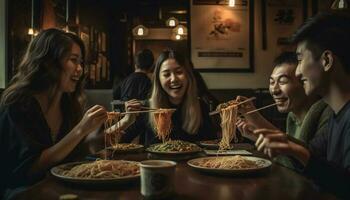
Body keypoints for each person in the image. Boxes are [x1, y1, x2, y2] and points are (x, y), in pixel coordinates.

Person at [0, 29, 107, 199]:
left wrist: (93, 138)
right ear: (48, 62)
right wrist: (80, 130)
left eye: (81, 62)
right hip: (23, 191)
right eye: (73, 60)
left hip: (60, 188)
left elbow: (73, 157)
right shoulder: (18, 104)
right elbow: (30, 169)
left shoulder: (69, 104)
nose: (80, 69)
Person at [253, 12, 350, 198]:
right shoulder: (337, 116)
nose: (297, 72)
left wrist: (295, 150)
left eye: (299, 59)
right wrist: (282, 142)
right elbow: (311, 155)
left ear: (326, 60)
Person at [236, 52, 332, 170]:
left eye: (282, 81)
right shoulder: (292, 118)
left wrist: (255, 117)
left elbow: (309, 164)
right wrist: (256, 136)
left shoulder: (328, 116)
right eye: (272, 82)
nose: (274, 90)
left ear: (305, 82)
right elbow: (287, 156)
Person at [119, 49, 217, 146]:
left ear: (188, 76)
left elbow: (212, 145)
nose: (174, 79)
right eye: (166, 74)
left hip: (191, 162)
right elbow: (114, 142)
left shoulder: (200, 107)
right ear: (159, 80)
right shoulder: (147, 108)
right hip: (154, 162)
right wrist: (126, 120)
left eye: (179, 72)